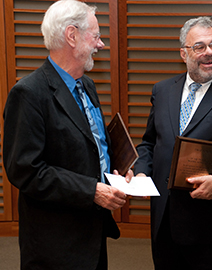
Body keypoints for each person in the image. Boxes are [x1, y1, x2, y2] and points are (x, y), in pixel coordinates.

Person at [3, 0, 132, 269]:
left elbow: (93, 143)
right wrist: (91, 191)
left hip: (93, 234)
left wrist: (117, 170)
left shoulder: (87, 84)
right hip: (55, 244)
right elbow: (25, 170)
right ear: (72, 36)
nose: (101, 44)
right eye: (96, 36)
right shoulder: (28, 94)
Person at [133, 16, 212, 270]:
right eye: (200, 47)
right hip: (163, 220)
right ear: (183, 53)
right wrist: (140, 172)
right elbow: (149, 143)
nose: (209, 53)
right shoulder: (162, 90)